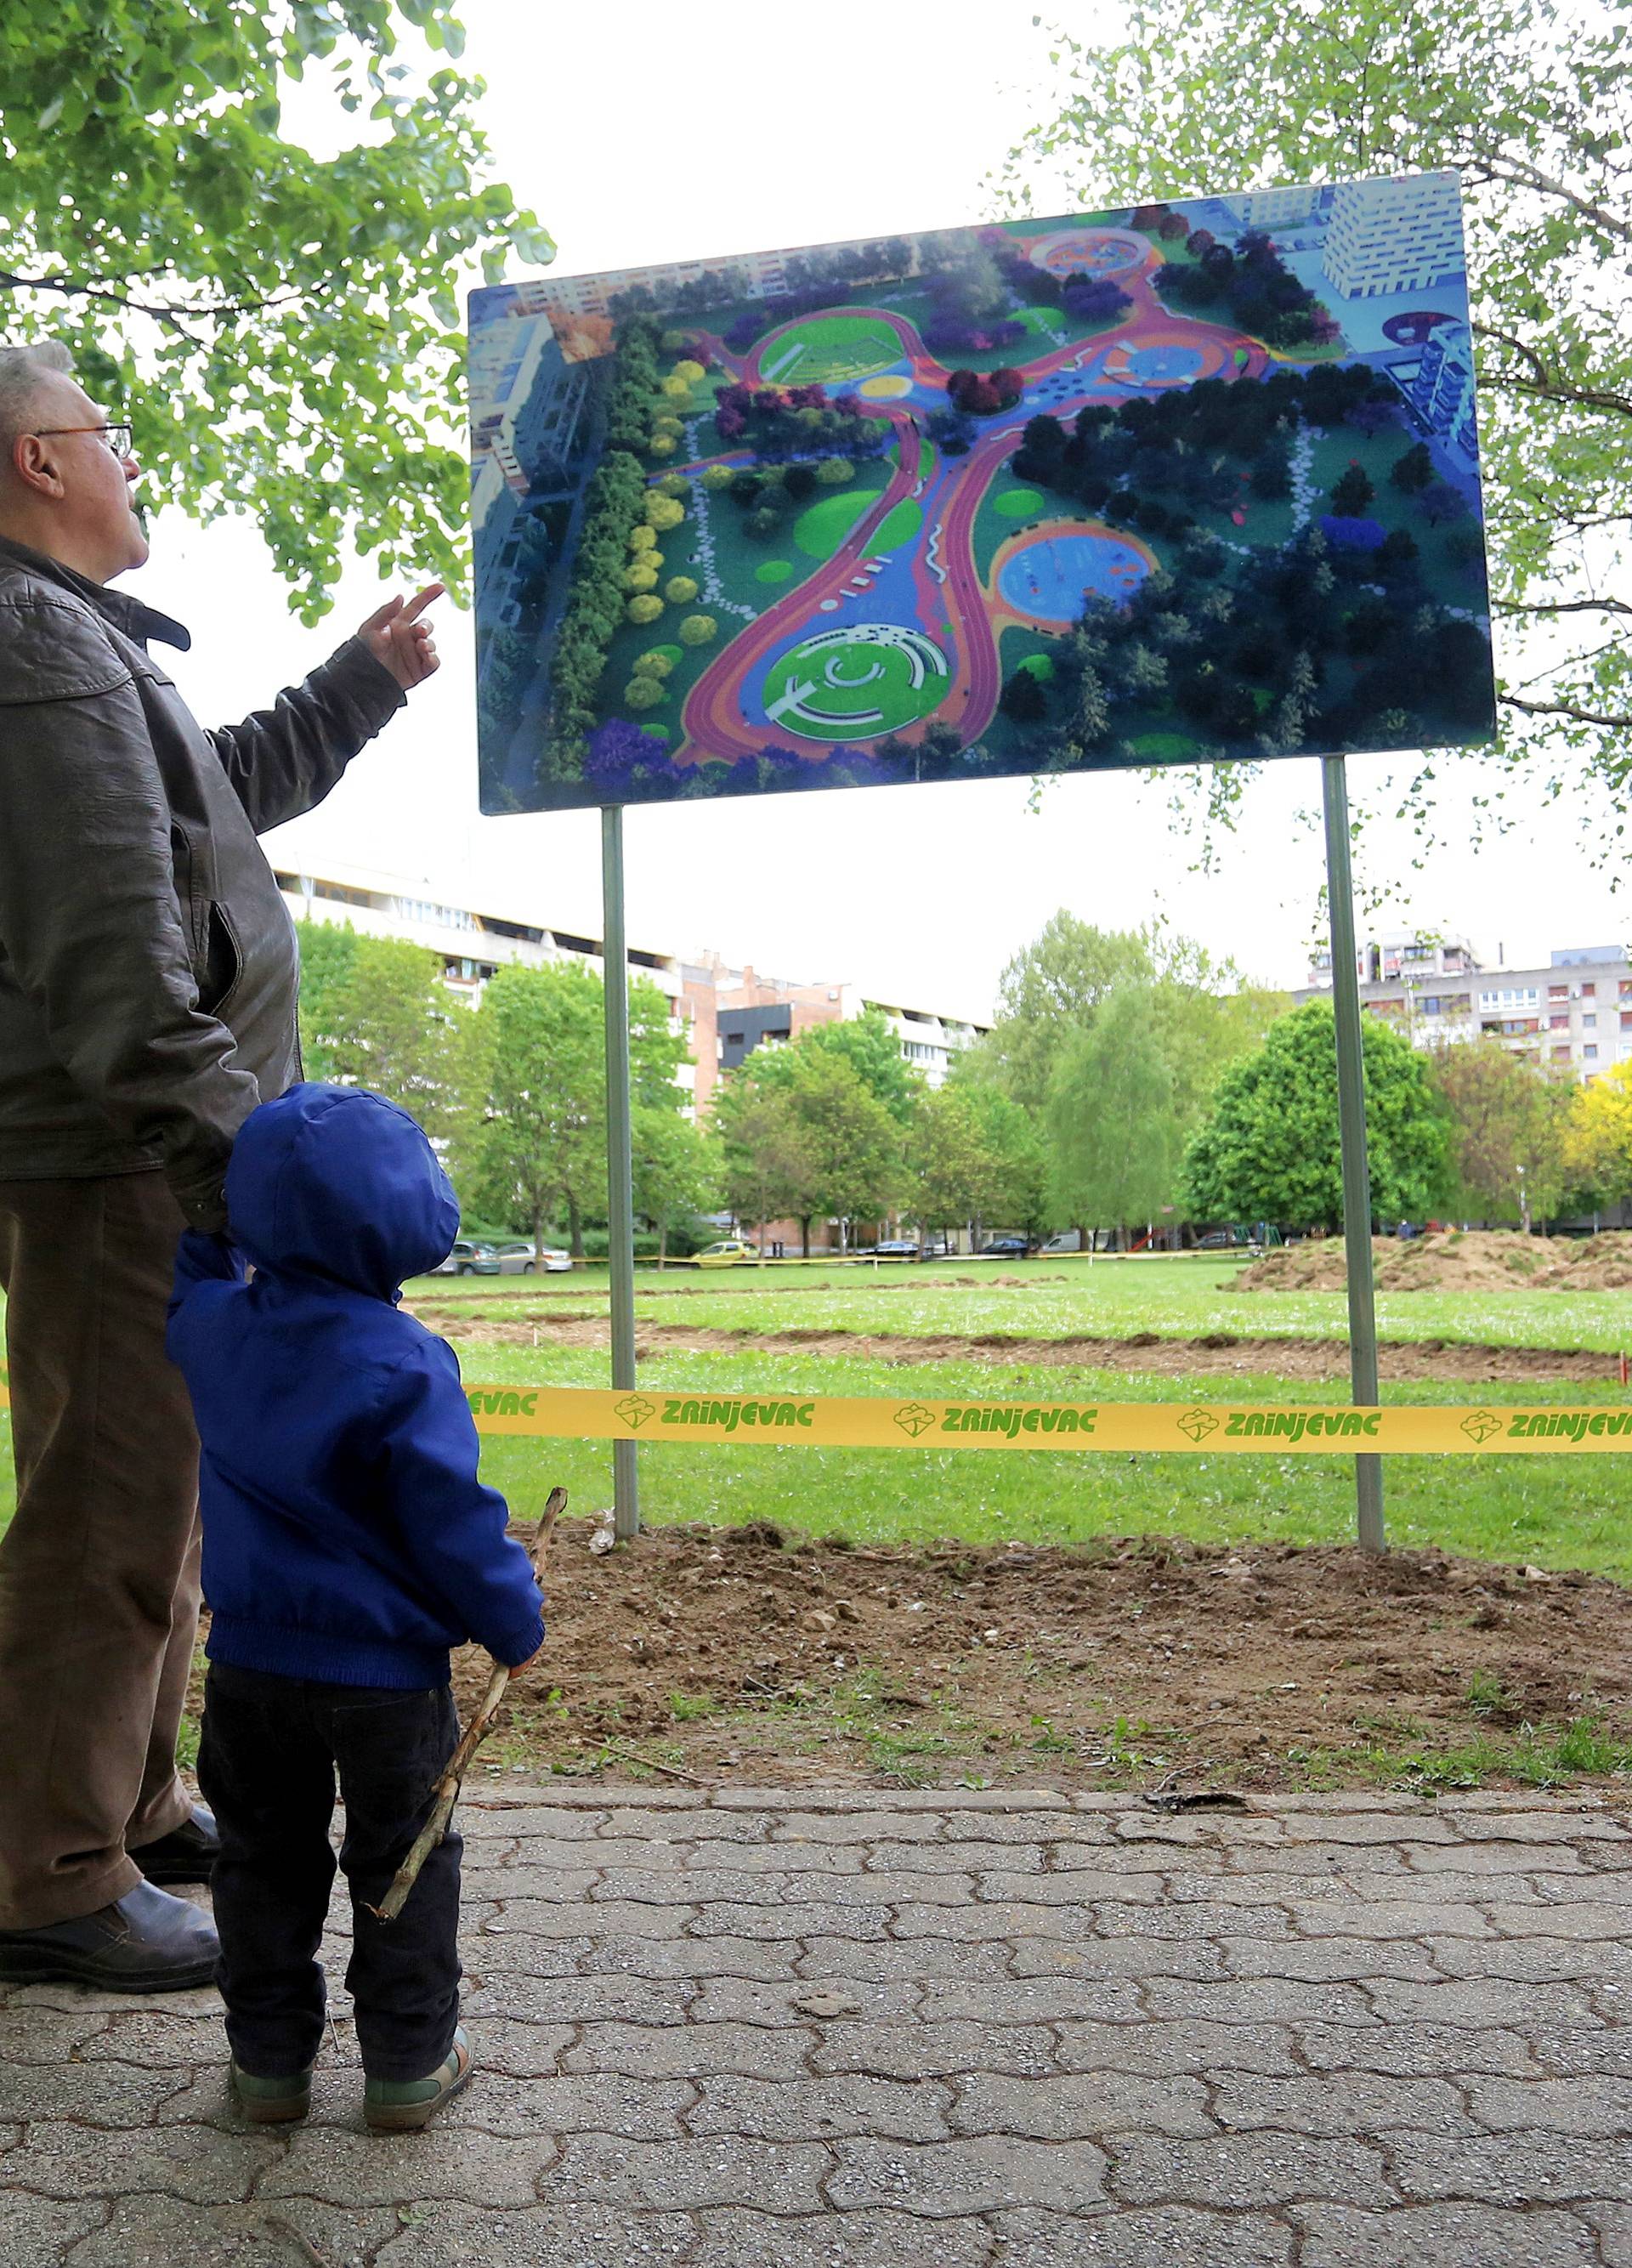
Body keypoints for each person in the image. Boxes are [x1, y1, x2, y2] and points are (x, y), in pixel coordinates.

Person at [0, 338, 442, 1990]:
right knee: (107, 1502)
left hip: (147, 1159)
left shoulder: (80, 645)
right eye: (106, 435)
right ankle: (45, 1867)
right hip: (124, 1160)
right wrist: (254, 1173)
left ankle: (126, 1798)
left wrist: (356, 686)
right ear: (40, 460)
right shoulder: (34, 644)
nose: (131, 463)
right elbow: (118, 966)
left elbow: (221, 814)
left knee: (161, 1495)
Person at [167, 1082, 545, 2131]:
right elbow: (450, 1520)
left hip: (248, 1673)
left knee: (261, 1862)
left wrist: (211, 1223)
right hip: (386, 1684)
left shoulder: (212, 1334)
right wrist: (514, 1617)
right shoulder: (406, 1361)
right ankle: (409, 2063)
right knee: (404, 1863)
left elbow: (189, 1284)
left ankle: (268, 2067)